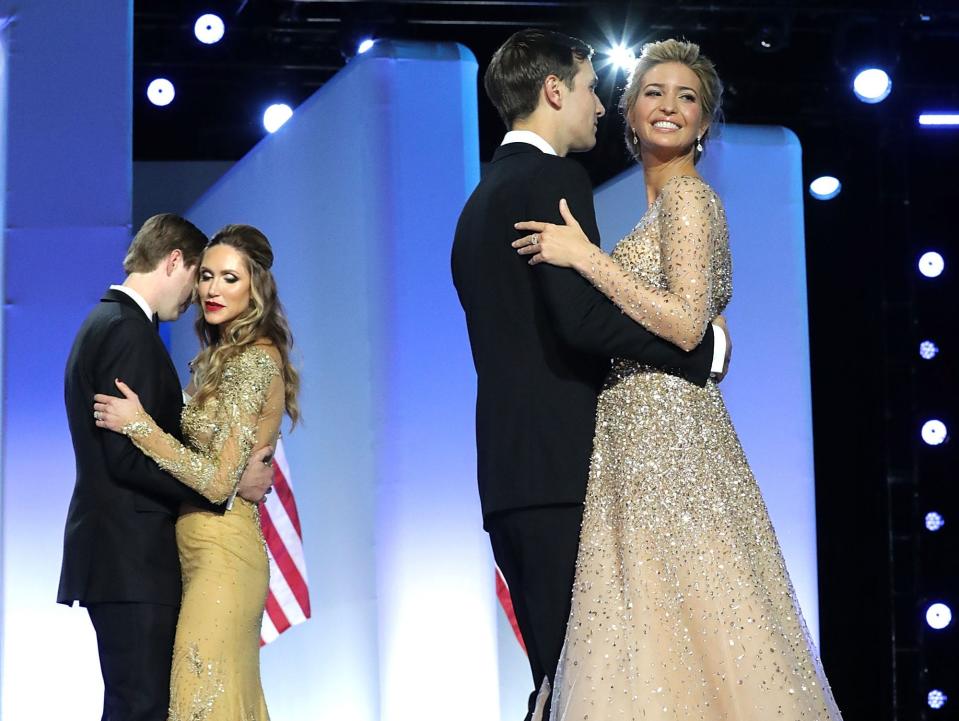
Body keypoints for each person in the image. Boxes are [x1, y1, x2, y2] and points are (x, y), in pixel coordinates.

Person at [513, 39, 843, 720]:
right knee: (653, 625)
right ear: (628, 114)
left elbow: (688, 325)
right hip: (632, 434)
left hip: (672, 435)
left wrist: (583, 258)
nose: (669, 106)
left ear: (703, 121)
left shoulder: (689, 199)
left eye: (686, 97)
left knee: (692, 613)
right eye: (653, 93)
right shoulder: (657, 207)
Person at [451, 29, 730, 721]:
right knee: (584, 680)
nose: (598, 108)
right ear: (554, 90)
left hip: (510, 474)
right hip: (563, 467)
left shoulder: (477, 200)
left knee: (560, 675)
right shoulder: (553, 178)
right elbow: (579, 323)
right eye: (587, 89)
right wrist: (704, 353)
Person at [57, 214, 275, 721]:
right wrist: (222, 486)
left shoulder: (109, 323)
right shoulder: (127, 332)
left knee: (147, 705)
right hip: (130, 560)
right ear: (175, 260)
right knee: (142, 707)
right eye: (201, 274)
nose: (200, 294)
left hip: (129, 559)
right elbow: (127, 457)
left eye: (225, 279)